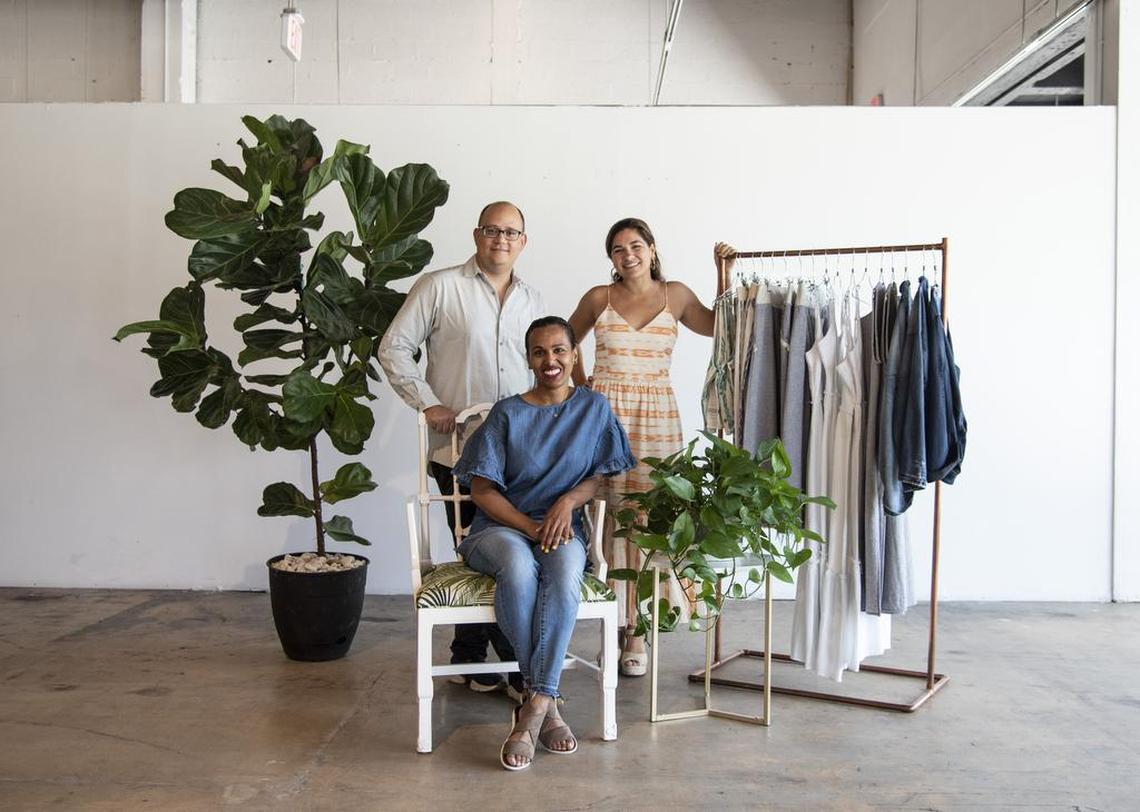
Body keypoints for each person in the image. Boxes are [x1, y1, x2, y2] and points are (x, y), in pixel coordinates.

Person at [377, 201, 545, 698]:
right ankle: (517, 668)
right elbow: (393, 347)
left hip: (520, 454)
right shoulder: (439, 286)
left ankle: (468, 658)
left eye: (511, 232)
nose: (501, 239)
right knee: (483, 551)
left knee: (507, 548)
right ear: (477, 235)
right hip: (459, 449)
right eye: (492, 230)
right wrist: (428, 402)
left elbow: (546, 367)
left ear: (523, 242)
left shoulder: (533, 300)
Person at [452, 316, 636, 770]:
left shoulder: (593, 408)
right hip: (499, 528)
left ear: (574, 355)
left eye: (558, 350)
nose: (550, 360)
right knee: (518, 568)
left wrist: (567, 502)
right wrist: (530, 528)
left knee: (566, 571)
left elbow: (598, 476)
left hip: (562, 527)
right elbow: (482, 491)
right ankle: (547, 703)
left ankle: (533, 704)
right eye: (539, 352)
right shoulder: (507, 413)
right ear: (529, 360)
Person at [567, 218, 733, 675]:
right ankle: (612, 626)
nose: (628, 255)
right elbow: (564, 340)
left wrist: (722, 273)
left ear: (653, 249)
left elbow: (719, 326)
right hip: (606, 418)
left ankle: (637, 631)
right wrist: (582, 389)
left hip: (658, 418)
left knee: (650, 515)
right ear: (611, 258)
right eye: (618, 249)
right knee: (609, 518)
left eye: (636, 246)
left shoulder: (674, 295)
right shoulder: (599, 297)